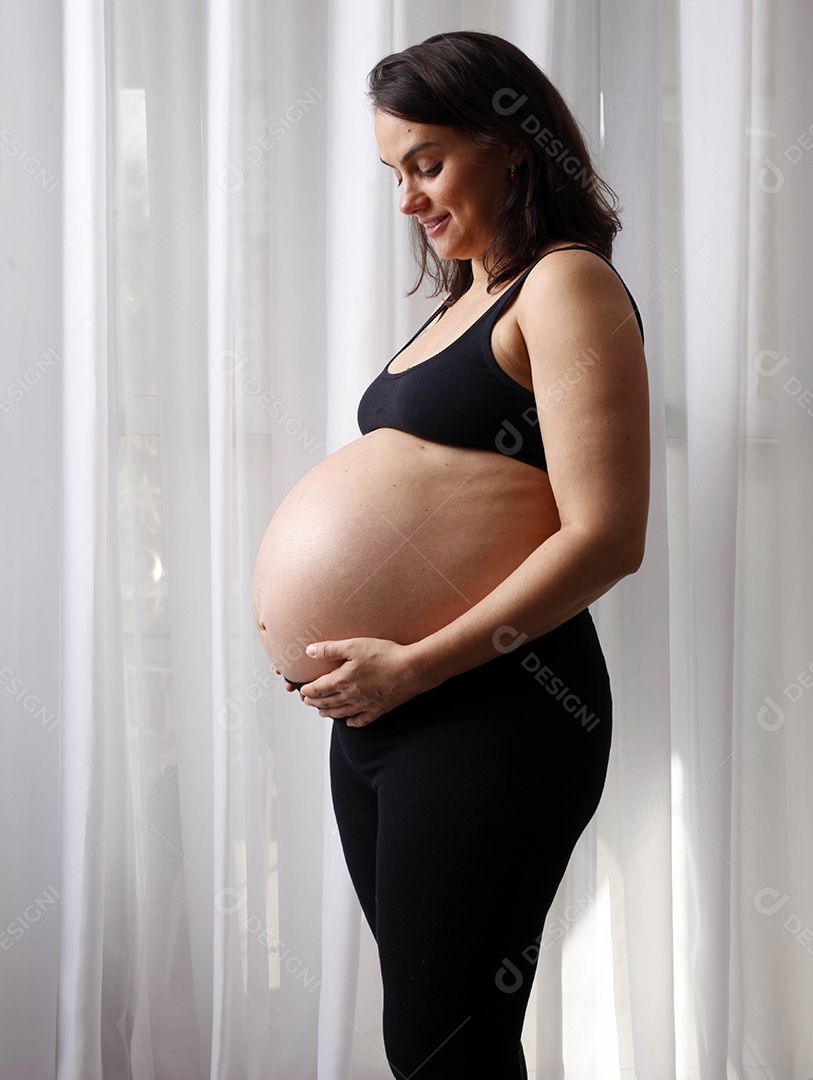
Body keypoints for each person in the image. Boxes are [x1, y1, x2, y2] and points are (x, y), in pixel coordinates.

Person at [278, 30, 649, 1079]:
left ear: (515, 144)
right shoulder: (459, 300)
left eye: (428, 162)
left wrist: (416, 663)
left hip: (498, 707)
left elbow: (608, 536)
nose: (407, 200)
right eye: (394, 172)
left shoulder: (564, 286)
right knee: (433, 1035)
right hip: (387, 714)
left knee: (445, 1042)